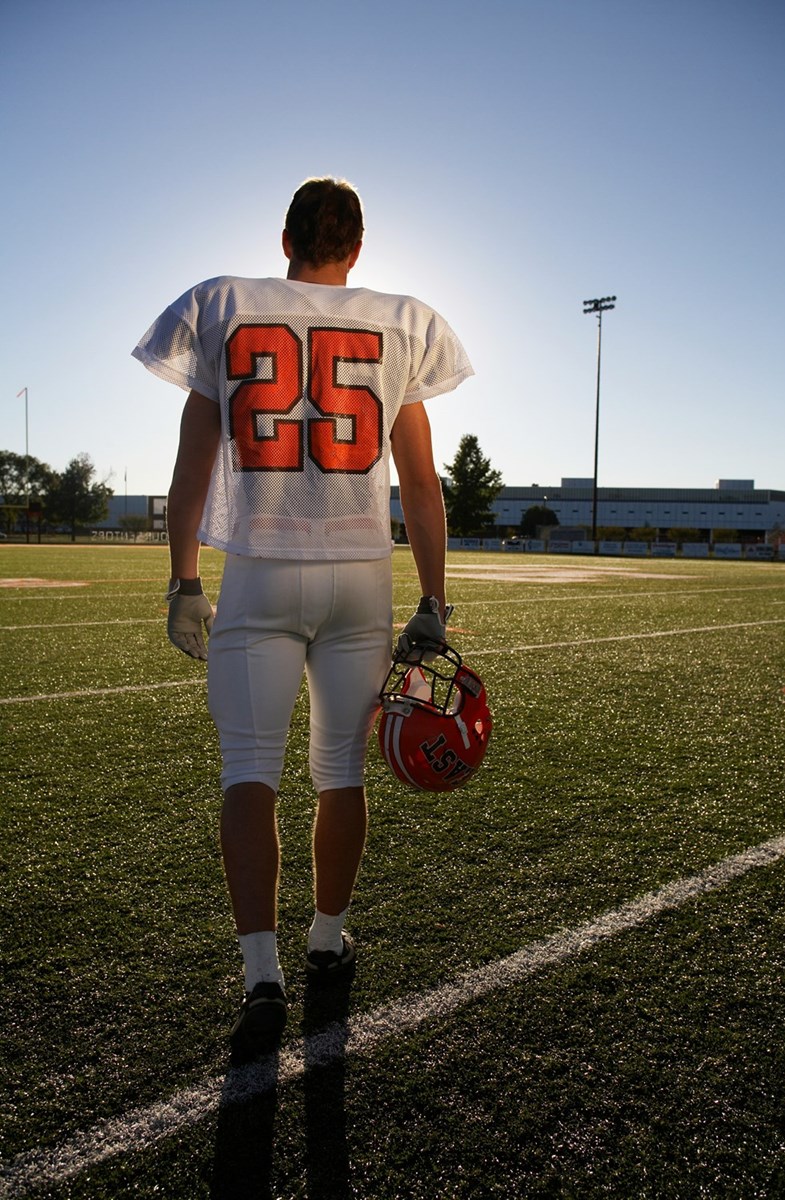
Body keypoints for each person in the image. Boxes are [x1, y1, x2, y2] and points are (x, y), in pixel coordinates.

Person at [132, 177, 473, 1062]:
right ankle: (327, 938)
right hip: (360, 577)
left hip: (260, 571)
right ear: (358, 247)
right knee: (341, 771)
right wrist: (435, 600)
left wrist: (182, 581)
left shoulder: (224, 306)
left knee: (250, 773)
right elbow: (424, 485)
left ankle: (260, 975)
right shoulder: (401, 321)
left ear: (284, 234)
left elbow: (192, 466)